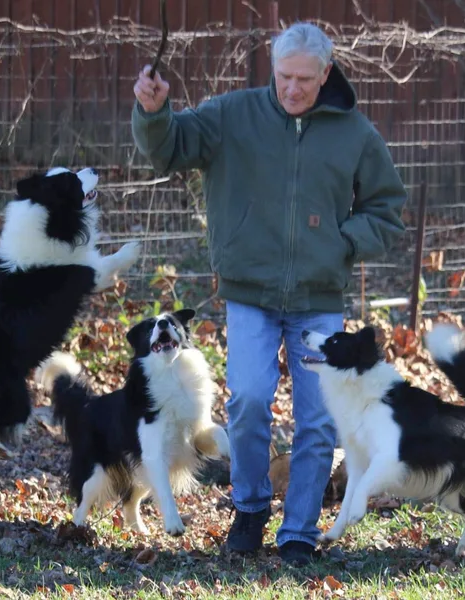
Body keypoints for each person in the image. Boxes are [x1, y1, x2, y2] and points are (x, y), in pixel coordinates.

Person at [131, 22, 407, 566]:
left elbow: (387, 211)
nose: (293, 88)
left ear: (326, 73)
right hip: (250, 290)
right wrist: (154, 112)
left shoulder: (353, 132)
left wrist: (338, 243)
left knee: (318, 420)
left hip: (319, 297)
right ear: (272, 69)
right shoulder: (234, 114)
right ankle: (251, 507)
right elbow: (170, 150)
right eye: (284, 76)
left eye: (305, 78)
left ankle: (300, 529)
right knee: (250, 400)